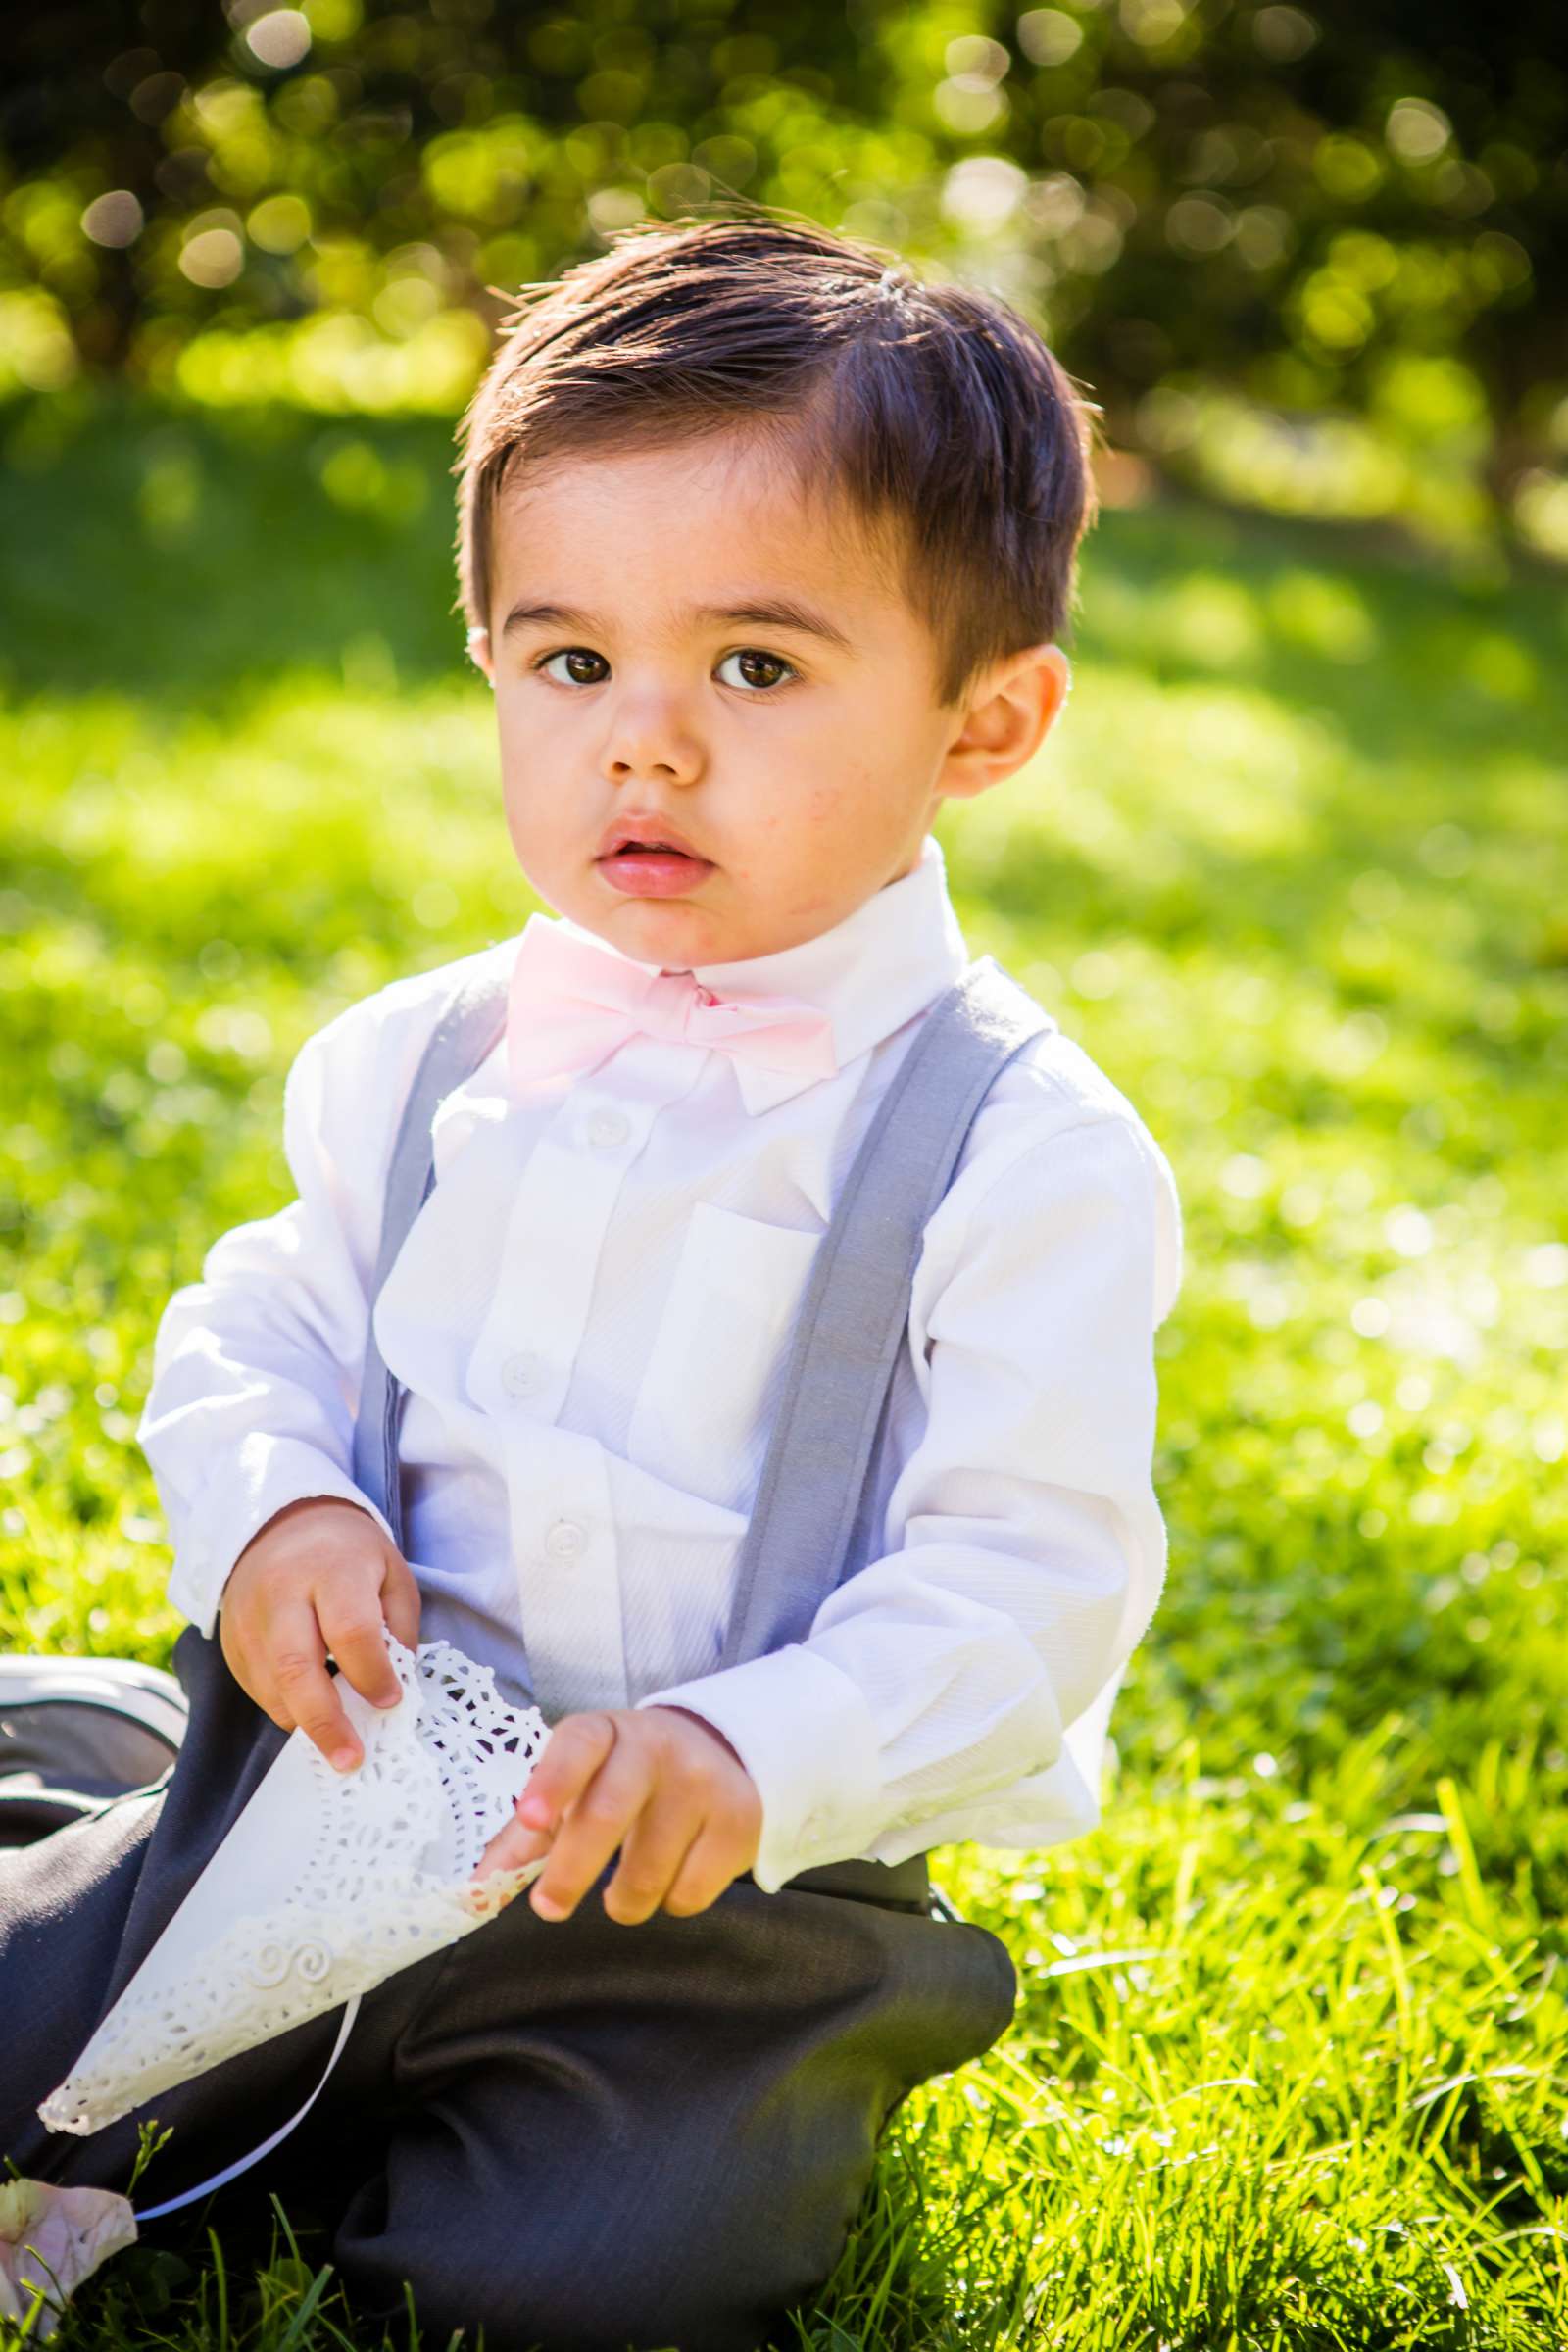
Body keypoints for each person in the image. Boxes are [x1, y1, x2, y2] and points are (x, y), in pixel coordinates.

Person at [0, 209, 1182, 2350]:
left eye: (752, 666)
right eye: (569, 664)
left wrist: (754, 1751)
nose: (641, 742)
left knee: (566, 2286)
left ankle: (492, 2115)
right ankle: (108, 1834)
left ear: (984, 724)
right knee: (37, 2022)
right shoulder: (419, 1055)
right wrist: (284, 1501)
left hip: (718, 1908)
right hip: (337, 1774)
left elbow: (1025, 1584)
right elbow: (263, 1322)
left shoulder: (1019, 1150)